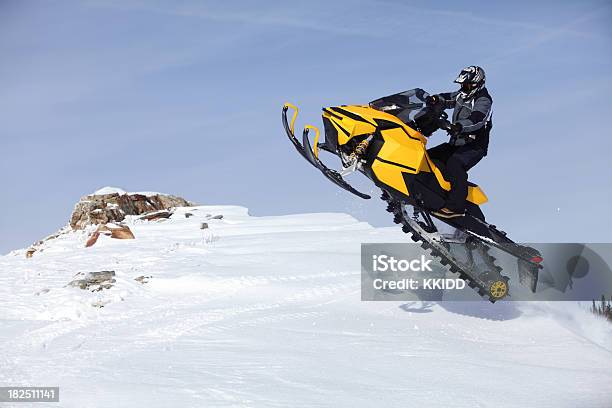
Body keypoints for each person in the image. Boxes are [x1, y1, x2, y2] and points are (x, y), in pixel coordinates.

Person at [425, 66, 492, 219]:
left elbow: (478, 119)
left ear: (478, 84)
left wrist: (459, 126)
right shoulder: (462, 95)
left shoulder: (483, 99)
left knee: (455, 165)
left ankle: (456, 207)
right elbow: (449, 98)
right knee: (429, 156)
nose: (465, 88)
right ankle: (430, 191)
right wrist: (435, 99)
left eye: (468, 85)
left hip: (474, 146)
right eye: (463, 85)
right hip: (457, 143)